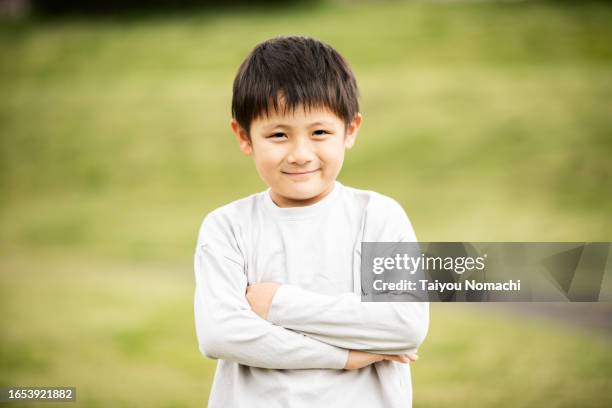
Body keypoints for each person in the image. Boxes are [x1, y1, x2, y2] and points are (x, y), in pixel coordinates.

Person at [193, 35, 429, 408]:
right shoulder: (227, 227)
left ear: (350, 130)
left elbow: (404, 324)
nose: (301, 154)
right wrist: (344, 356)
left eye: (319, 132)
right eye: (278, 135)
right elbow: (219, 334)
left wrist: (278, 304)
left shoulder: (379, 216)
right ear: (244, 136)